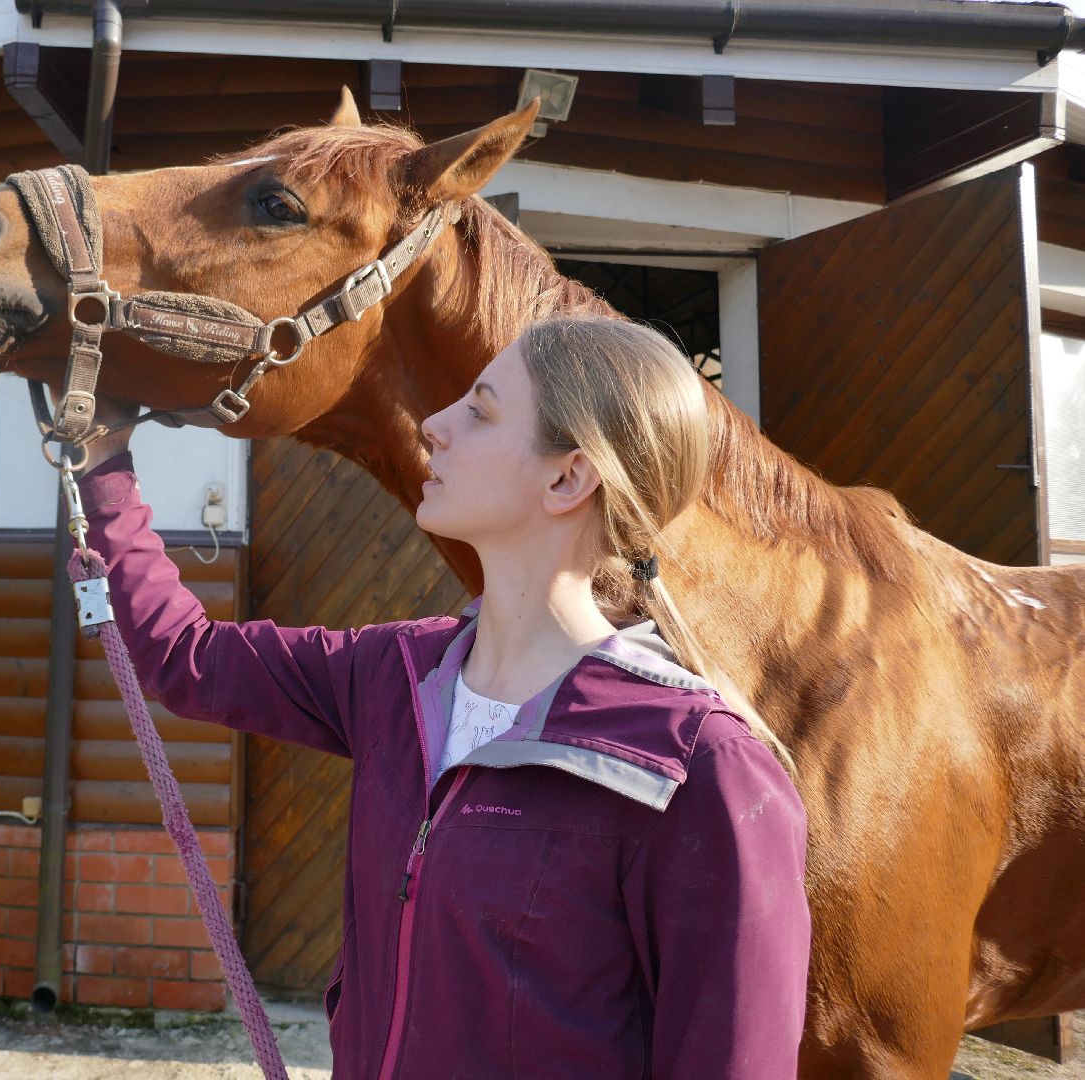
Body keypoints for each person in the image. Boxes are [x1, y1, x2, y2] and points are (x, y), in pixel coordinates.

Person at [70, 312, 811, 1079]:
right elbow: (184, 658)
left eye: (481, 411)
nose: (435, 425)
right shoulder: (394, 672)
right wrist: (103, 466)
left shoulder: (698, 769)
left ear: (567, 478)